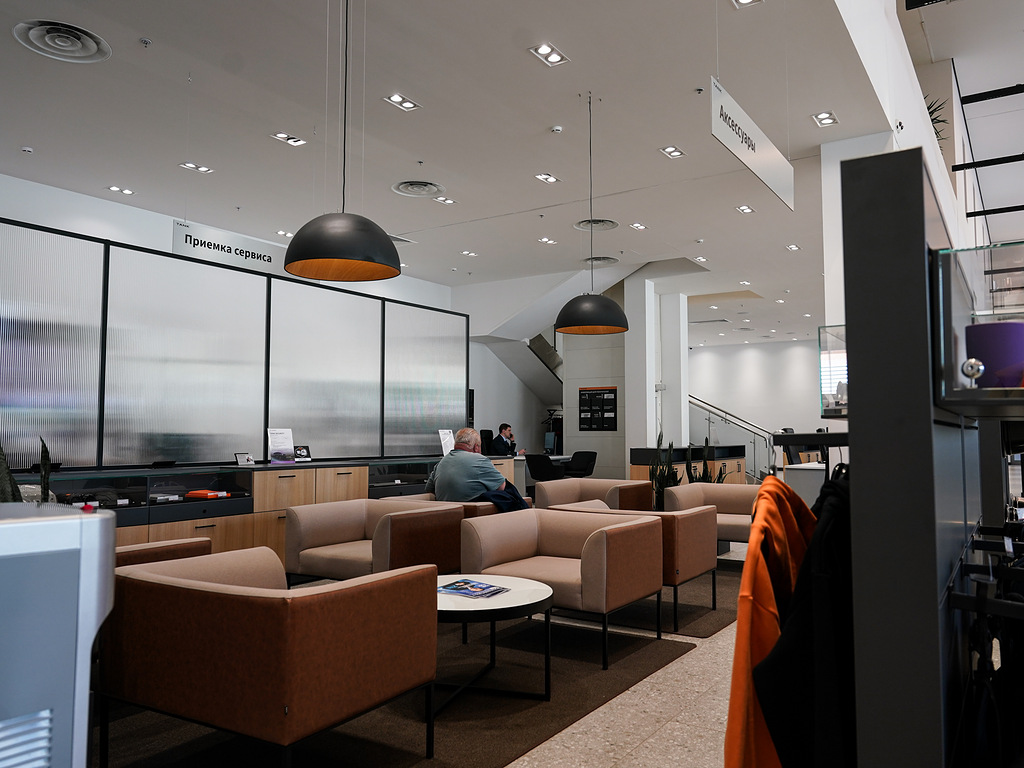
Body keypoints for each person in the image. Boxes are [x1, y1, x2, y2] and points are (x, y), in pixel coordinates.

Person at [426, 427, 528, 511]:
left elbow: (429, 490)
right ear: (476, 447)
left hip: (445, 513)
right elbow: (502, 487)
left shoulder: (441, 463)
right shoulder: (479, 460)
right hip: (472, 512)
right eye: (480, 447)